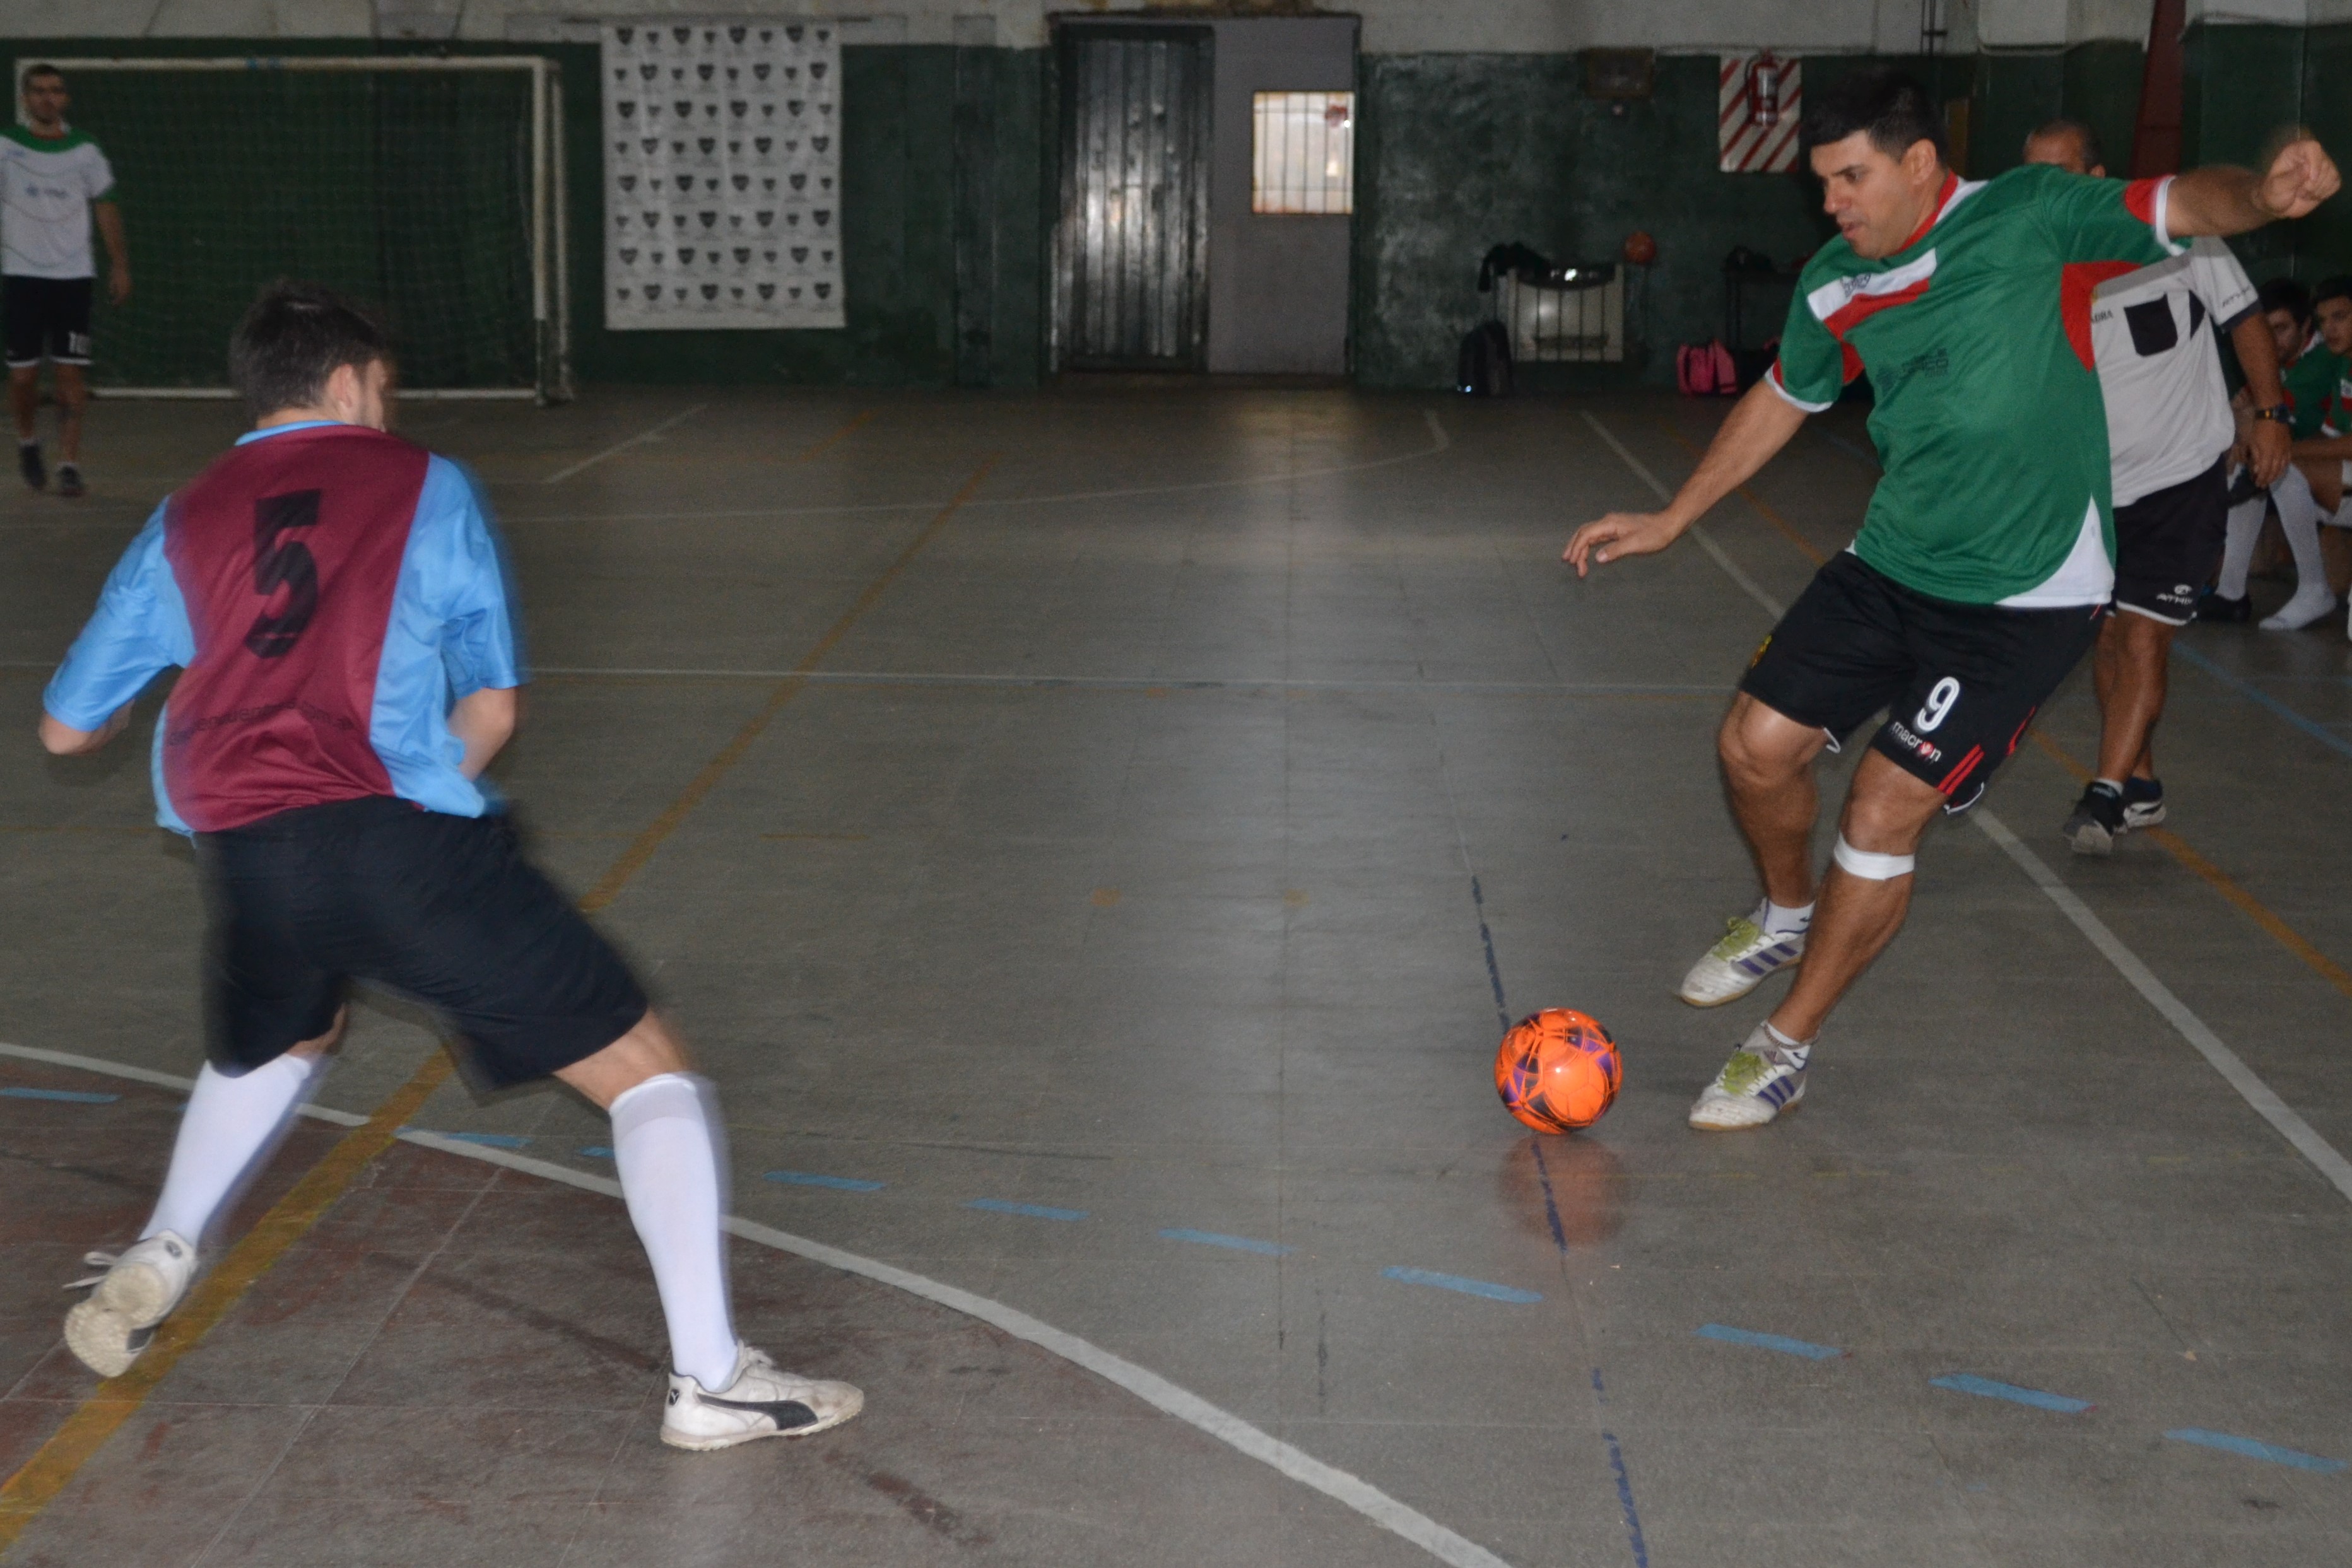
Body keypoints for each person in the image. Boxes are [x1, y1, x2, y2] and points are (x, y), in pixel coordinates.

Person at [40, 282, 859, 1451]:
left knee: (291, 1031)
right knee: (648, 1071)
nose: (386, 409)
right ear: (344, 384)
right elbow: (493, 705)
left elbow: (67, 730)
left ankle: (164, 1245)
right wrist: (421, 803)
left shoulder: (186, 513)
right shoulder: (422, 482)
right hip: (395, 842)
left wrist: (147, 708)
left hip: (247, 858)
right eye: (380, 388)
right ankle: (711, 1378)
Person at [1563, 69, 2337, 1131]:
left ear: (1920, 163)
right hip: (1893, 560)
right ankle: (1784, 911)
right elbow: (1784, 396)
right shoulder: (1835, 280)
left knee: (1880, 812)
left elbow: (2182, 203)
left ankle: (1783, 1047)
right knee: (1752, 747)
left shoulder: (2028, 216)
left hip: (2026, 595)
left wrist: (2261, 193)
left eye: (1850, 177)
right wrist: (1671, 516)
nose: (1831, 201)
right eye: (1822, 182)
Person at [2019, 119, 2293, 853]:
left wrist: (2269, 414)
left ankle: (2104, 795)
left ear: (2097, 177)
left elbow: (2244, 320)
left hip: (2179, 477)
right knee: (2110, 640)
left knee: (2142, 637)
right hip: (2090, 487)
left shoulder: (2175, 234)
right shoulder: (2032, 256)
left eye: (2057, 174)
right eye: (2030, 176)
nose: (2042, 191)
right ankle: (2138, 781)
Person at [2, 64, 128, 500]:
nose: (47, 98)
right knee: (23, 379)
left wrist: (120, 265)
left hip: (73, 278)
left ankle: (69, 465)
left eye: (55, 90)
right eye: (38, 90)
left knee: (69, 375)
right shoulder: (6, 146)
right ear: (25, 99)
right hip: (22, 277)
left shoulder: (86, 150)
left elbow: (106, 204)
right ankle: (28, 442)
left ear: (66, 98)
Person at [2202, 276, 2343, 626]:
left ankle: (2314, 588)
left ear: (2305, 327)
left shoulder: (2325, 360)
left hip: (2327, 476)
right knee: (2246, 462)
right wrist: (2248, 429)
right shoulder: (2279, 359)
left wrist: (2255, 429)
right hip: (2327, 473)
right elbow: (2240, 413)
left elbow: (2263, 419)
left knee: (2275, 464)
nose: (2271, 340)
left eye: (2281, 329)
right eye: (2265, 331)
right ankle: (2230, 593)